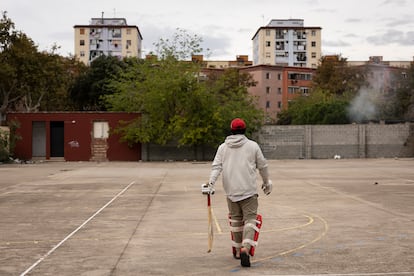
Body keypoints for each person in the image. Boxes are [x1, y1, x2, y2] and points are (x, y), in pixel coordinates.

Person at [203, 118, 272, 267]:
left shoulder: (223, 148)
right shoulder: (252, 146)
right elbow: (263, 166)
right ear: (244, 130)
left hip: (231, 191)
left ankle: (236, 249)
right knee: (250, 220)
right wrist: (267, 182)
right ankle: (245, 249)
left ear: (232, 131)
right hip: (249, 191)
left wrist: (211, 183)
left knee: (235, 221)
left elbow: (216, 167)